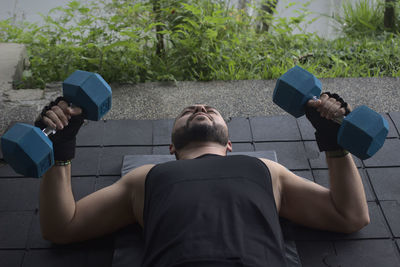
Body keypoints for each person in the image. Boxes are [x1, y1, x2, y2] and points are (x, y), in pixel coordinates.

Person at [37, 93, 370, 266]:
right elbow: (62, 226)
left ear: (229, 144)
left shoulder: (266, 169)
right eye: (189, 110)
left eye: (209, 108)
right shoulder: (145, 178)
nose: (199, 107)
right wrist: (60, 149)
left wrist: (333, 142)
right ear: (171, 147)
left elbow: (350, 216)